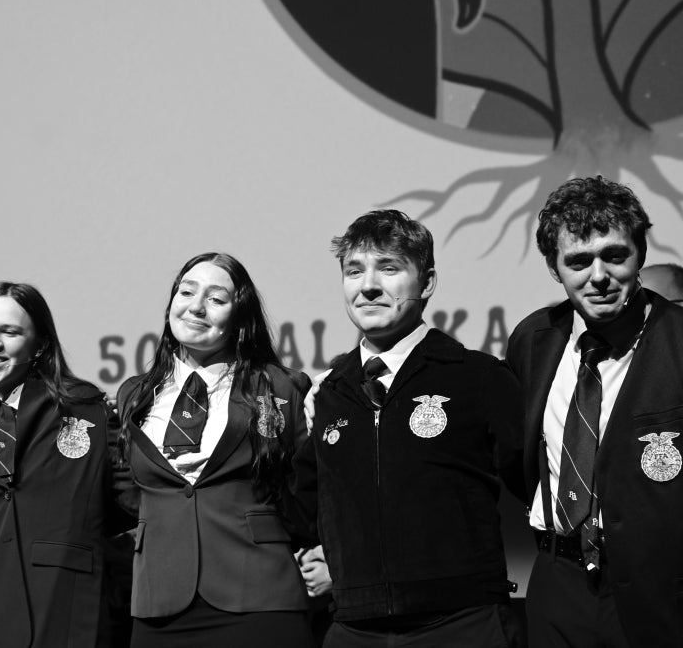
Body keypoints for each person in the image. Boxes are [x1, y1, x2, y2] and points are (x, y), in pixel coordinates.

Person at [291, 211, 524, 647]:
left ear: (428, 281)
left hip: (461, 622)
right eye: (354, 271)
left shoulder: (477, 377)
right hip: (354, 628)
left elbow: (536, 484)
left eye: (390, 268)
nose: (368, 286)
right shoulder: (329, 393)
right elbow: (304, 507)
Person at [506, 176, 683, 648]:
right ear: (554, 267)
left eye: (614, 255)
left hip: (662, 589)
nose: (598, 276)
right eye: (579, 261)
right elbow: (516, 459)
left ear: (641, 253)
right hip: (557, 581)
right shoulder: (533, 340)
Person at [116, 252, 314, 648]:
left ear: (240, 318)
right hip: (160, 601)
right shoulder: (133, 395)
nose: (196, 306)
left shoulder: (281, 386)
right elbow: (132, 492)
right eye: (186, 292)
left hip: (260, 593)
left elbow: (308, 485)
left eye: (216, 299)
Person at [0, 282, 126, 648]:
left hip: (67, 606)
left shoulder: (83, 408)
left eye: (9, 332)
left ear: (39, 344)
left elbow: (124, 499)